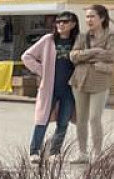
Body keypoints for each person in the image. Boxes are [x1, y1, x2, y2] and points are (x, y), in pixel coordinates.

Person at [21, 11, 79, 160]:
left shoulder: (78, 42)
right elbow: (27, 56)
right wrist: (42, 70)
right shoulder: (48, 40)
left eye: (65, 22)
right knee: (42, 119)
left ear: (73, 24)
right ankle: (34, 151)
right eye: (58, 21)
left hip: (69, 88)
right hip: (49, 87)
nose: (61, 24)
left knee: (63, 121)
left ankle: (54, 152)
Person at [69, 4, 114, 164]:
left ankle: (98, 154)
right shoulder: (82, 36)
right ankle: (82, 153)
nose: (89, 20)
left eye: (92, 16)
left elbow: (111, 55)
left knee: (94, 118)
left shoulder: (111, 36)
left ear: (102, 18)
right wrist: (94, 52)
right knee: (81, 119)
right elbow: (73, 56)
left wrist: (85, 56)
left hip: (100, 81)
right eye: (87, 17)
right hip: (80, 80)